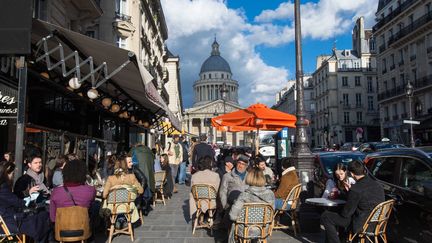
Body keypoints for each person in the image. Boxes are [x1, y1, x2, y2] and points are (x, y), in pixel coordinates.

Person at [321, 160, 385, 243]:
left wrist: (351, 192)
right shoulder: (378, 184)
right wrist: (348, 193)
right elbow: (364, 199)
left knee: (326, 216)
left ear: (351, 173)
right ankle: (342, 239)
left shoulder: (356, 189)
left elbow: (346, 214)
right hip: (378, 223)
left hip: (362, 224)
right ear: (364, 170)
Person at [0, 161, 50, 242]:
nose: (12, 177)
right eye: (12, 174)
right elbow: (18, 203)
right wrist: (28, 198)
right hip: (12, 224)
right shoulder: (3, 189)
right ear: (6, 174)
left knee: (41, 218)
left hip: (8, 222)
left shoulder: (3, 188)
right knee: (44, 218)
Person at [228, 167, 275, 243]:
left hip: (246, 229)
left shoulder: (244, 195)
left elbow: (232, 216)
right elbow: (271, 213)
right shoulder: (270, 194)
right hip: (263, 229)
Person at [102, 157, 144, 224]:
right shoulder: (131, 177)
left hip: (113, 207)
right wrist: (132, 189)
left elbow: (104, 195)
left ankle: (118, 220)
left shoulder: (111, 178)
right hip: (128, 206)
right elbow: (141, 191)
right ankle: (123, 220)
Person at [189, 156, 220, 221]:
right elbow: (216, 190)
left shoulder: (194, 176)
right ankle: (213, 218)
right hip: (211, 201)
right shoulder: (215, 175)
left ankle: (200, 216)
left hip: (198, 201)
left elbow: (192, 190)